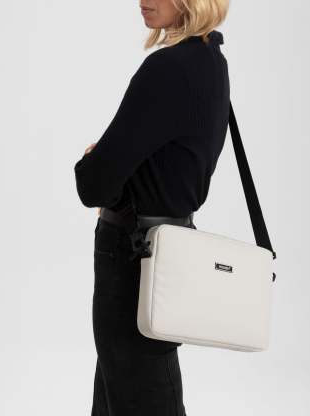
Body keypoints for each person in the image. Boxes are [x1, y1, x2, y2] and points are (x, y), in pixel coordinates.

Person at [73, 1, 230, 414]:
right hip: (167, 246)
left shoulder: (167, 68)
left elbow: (93, 184)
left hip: (130, 253)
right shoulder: (213, 61)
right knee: (134, 391)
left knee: (139, 394)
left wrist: (93, 159)